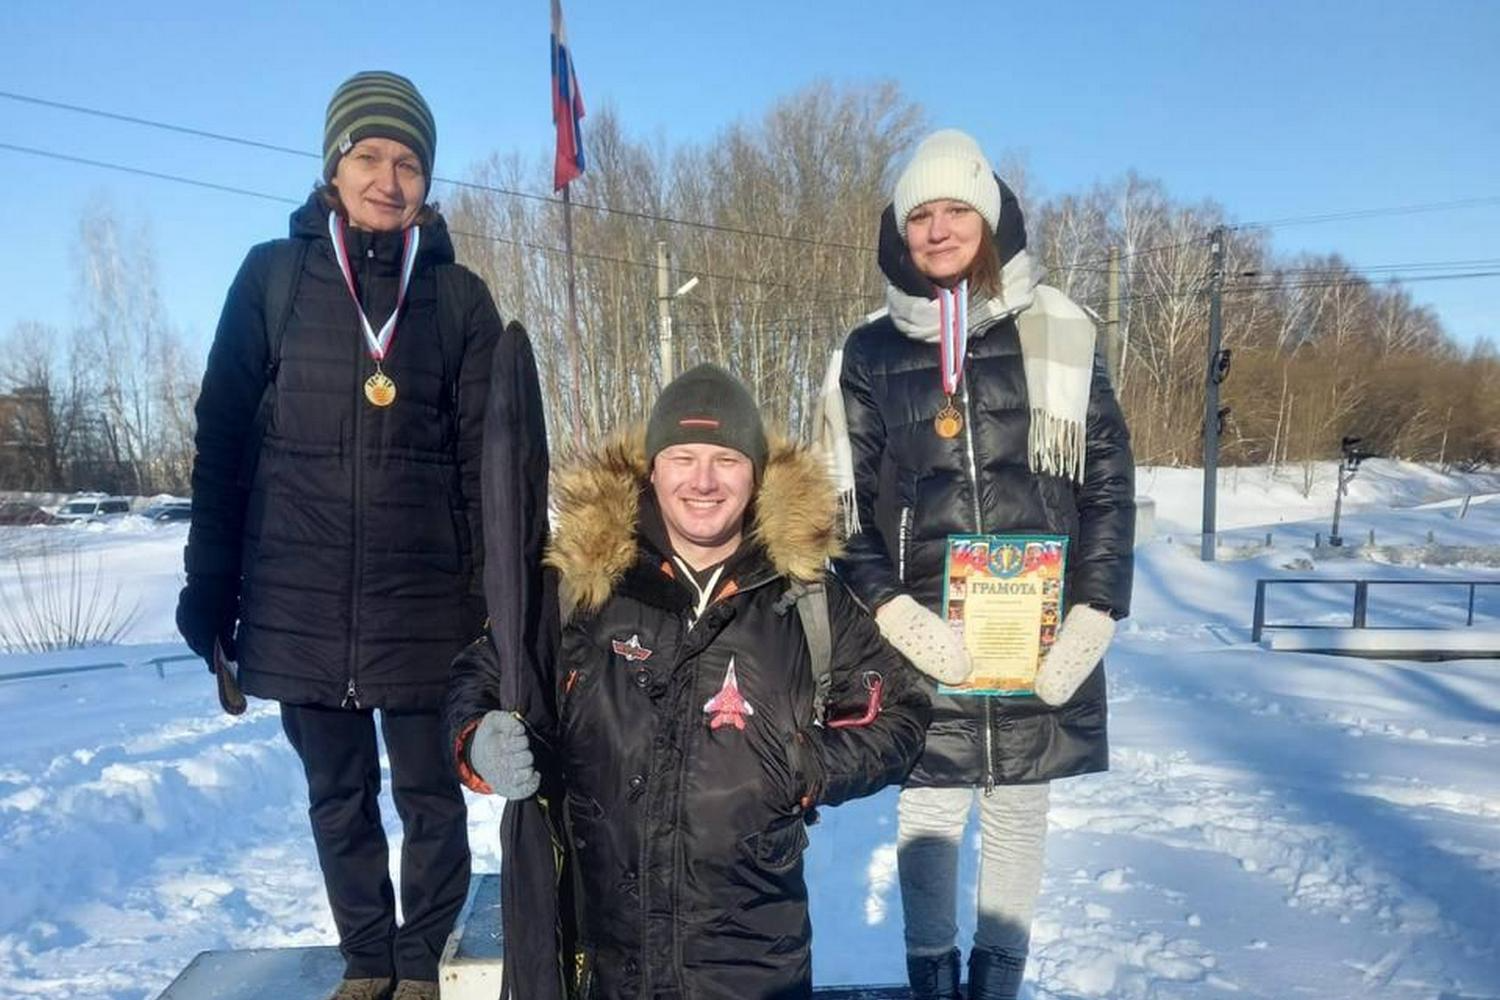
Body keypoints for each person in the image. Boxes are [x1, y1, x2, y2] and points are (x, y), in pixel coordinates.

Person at [177, 70, 546, 1000]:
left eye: (410, 161)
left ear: (428, 179)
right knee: (335, 799)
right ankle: (367, 960)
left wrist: (493, 613)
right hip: (298, 603)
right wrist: (210, 587)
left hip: (427, 614)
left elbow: (487, 474)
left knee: (430, 801)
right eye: (370, 156)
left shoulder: (460, 300)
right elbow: (222, 444)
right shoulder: (272, 280)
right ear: (334, 167)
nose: (390, 178)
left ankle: (420, 963)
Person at [447, 364, 931, 1000]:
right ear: (653, 468)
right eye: (682, 456)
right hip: (604, 952)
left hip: (752, 959)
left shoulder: (808, 596)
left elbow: (904, 714)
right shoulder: (579, 587)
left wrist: (805, 765)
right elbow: (481, 673)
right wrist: (478, 740)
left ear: (756, 473)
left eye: (726, 459)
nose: (703, 481)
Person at [818, 130, 1135, 1000]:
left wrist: (1097, 607)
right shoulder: (869, 352)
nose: (939, 227)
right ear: (898, 231)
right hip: (930, 634)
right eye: (920, 213)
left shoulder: (1061, 331)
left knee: (1019, 805)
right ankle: (931, 983)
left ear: (990, 221)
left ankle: (998, 985)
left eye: (957, 208)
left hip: (1039, 630)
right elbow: (841, 509)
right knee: (927, 807)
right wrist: (889, 609)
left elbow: (1108, 483)